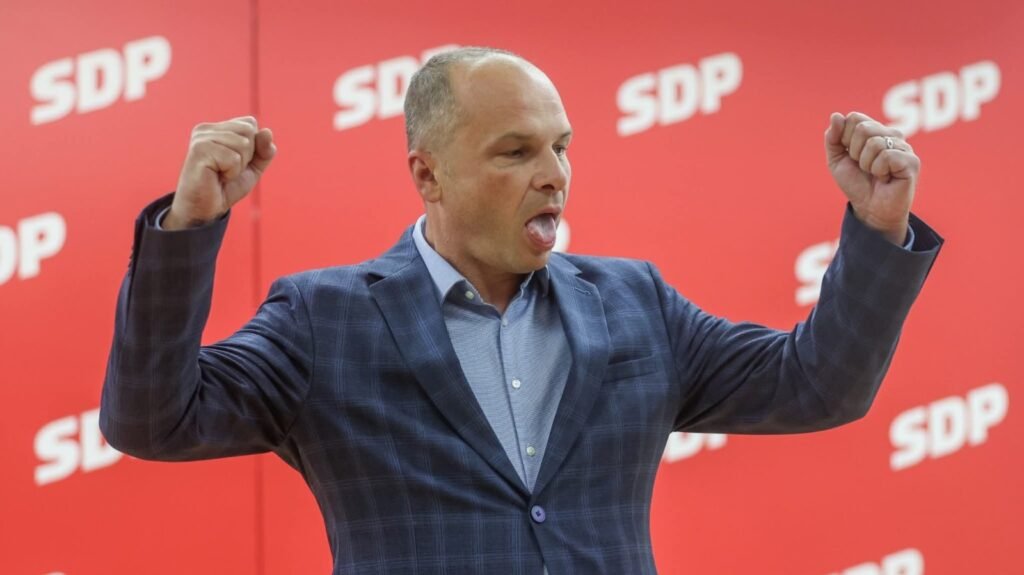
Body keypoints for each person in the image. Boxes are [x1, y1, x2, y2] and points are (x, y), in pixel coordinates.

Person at [100, 47, 943, 574]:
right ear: (427, 174)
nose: (554, 174)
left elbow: (819, 384)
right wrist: (189, 227)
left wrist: (877, 228)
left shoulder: (636, 303)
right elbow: (151, 419)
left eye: (561, 146)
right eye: (515, 151)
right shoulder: (324, 321)